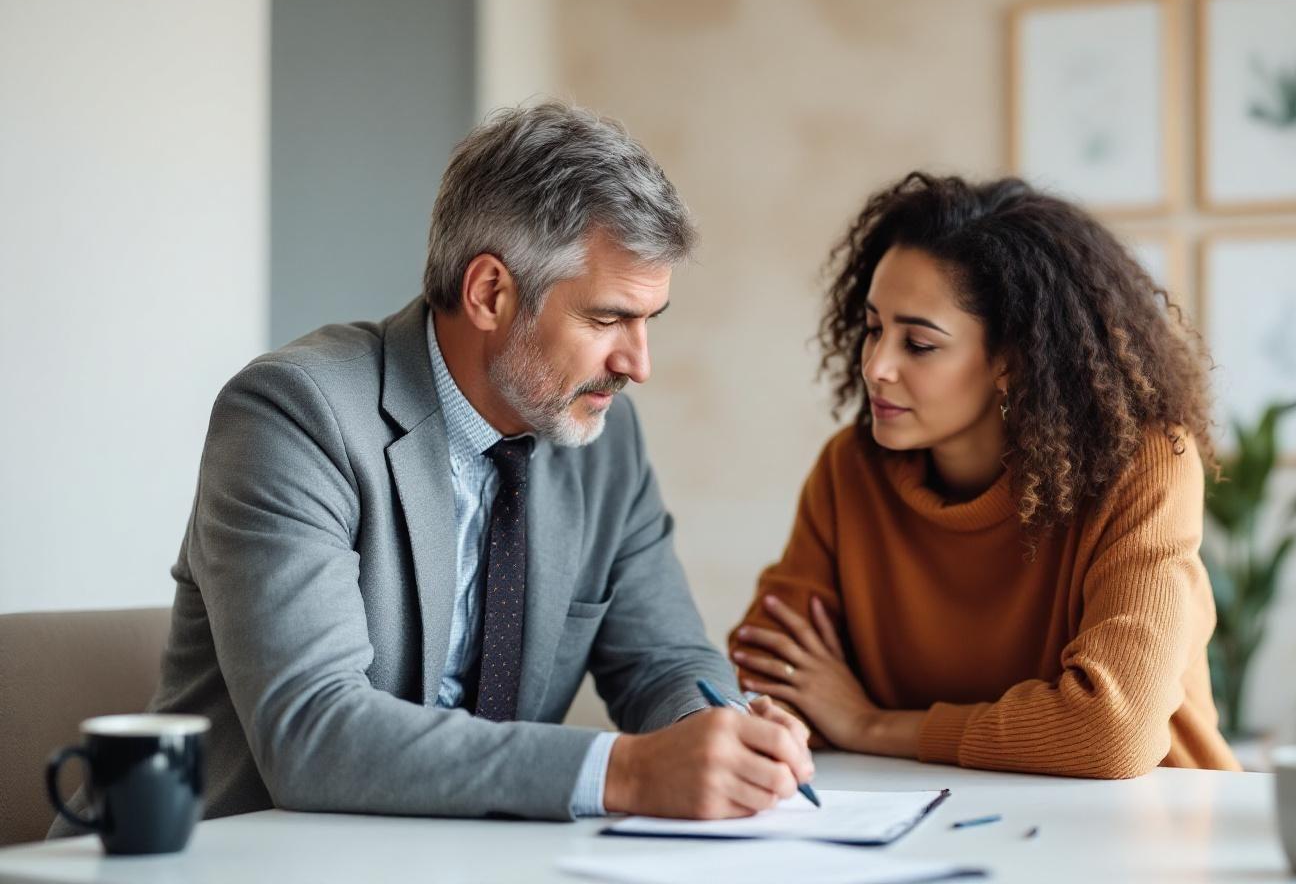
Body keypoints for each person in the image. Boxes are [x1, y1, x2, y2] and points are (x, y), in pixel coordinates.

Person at [54, 102, 811, 836]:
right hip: (239, 862)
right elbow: (314, 733)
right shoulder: (292, 415)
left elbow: (666, 660)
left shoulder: (605, 438)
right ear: (489, 292)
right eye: (607, 318)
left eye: (650, 322)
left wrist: (720, 735)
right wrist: (628, 771)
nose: (638, 365)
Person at [728, 172, 1240, 778]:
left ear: (1010, 361)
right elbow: (773, 672)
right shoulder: (850, 470)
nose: (876, 366)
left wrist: (869, 724)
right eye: (872, 329)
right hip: (926, 827)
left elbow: (1111, 731)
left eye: (918, 344)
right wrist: (792, 717)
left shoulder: (1142, 465)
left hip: (1144, 834)